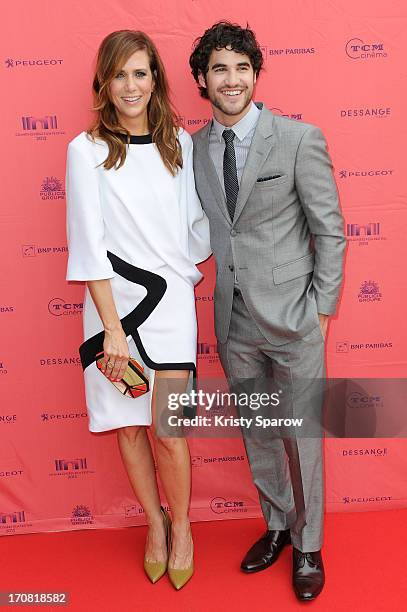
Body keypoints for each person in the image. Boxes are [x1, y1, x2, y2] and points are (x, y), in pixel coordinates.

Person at [189, 21, 345, 601]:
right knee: (259, 432)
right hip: (233, 321)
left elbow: (330, 231)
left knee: (301, 435)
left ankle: (309, 545)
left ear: (256, 73)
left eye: (241, 68)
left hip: (296, 318)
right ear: (203, 80)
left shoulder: (300, 139)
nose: (232, 80)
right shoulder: (197, 148)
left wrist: (321, 311)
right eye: (219, 70)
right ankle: (277, 527)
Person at [66, 30, 211, 590]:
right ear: (104, 81)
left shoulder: (179, 140)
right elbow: (88, 242)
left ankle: (183, 530)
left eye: (141, 73)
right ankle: (154, 525)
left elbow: (196, 226)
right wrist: (110, 331)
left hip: (172, 304)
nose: (131, 85)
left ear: (156, 79)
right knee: (129, 427)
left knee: (170, 430)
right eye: (120, 74)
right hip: (112, 313)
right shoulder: (85, 150)